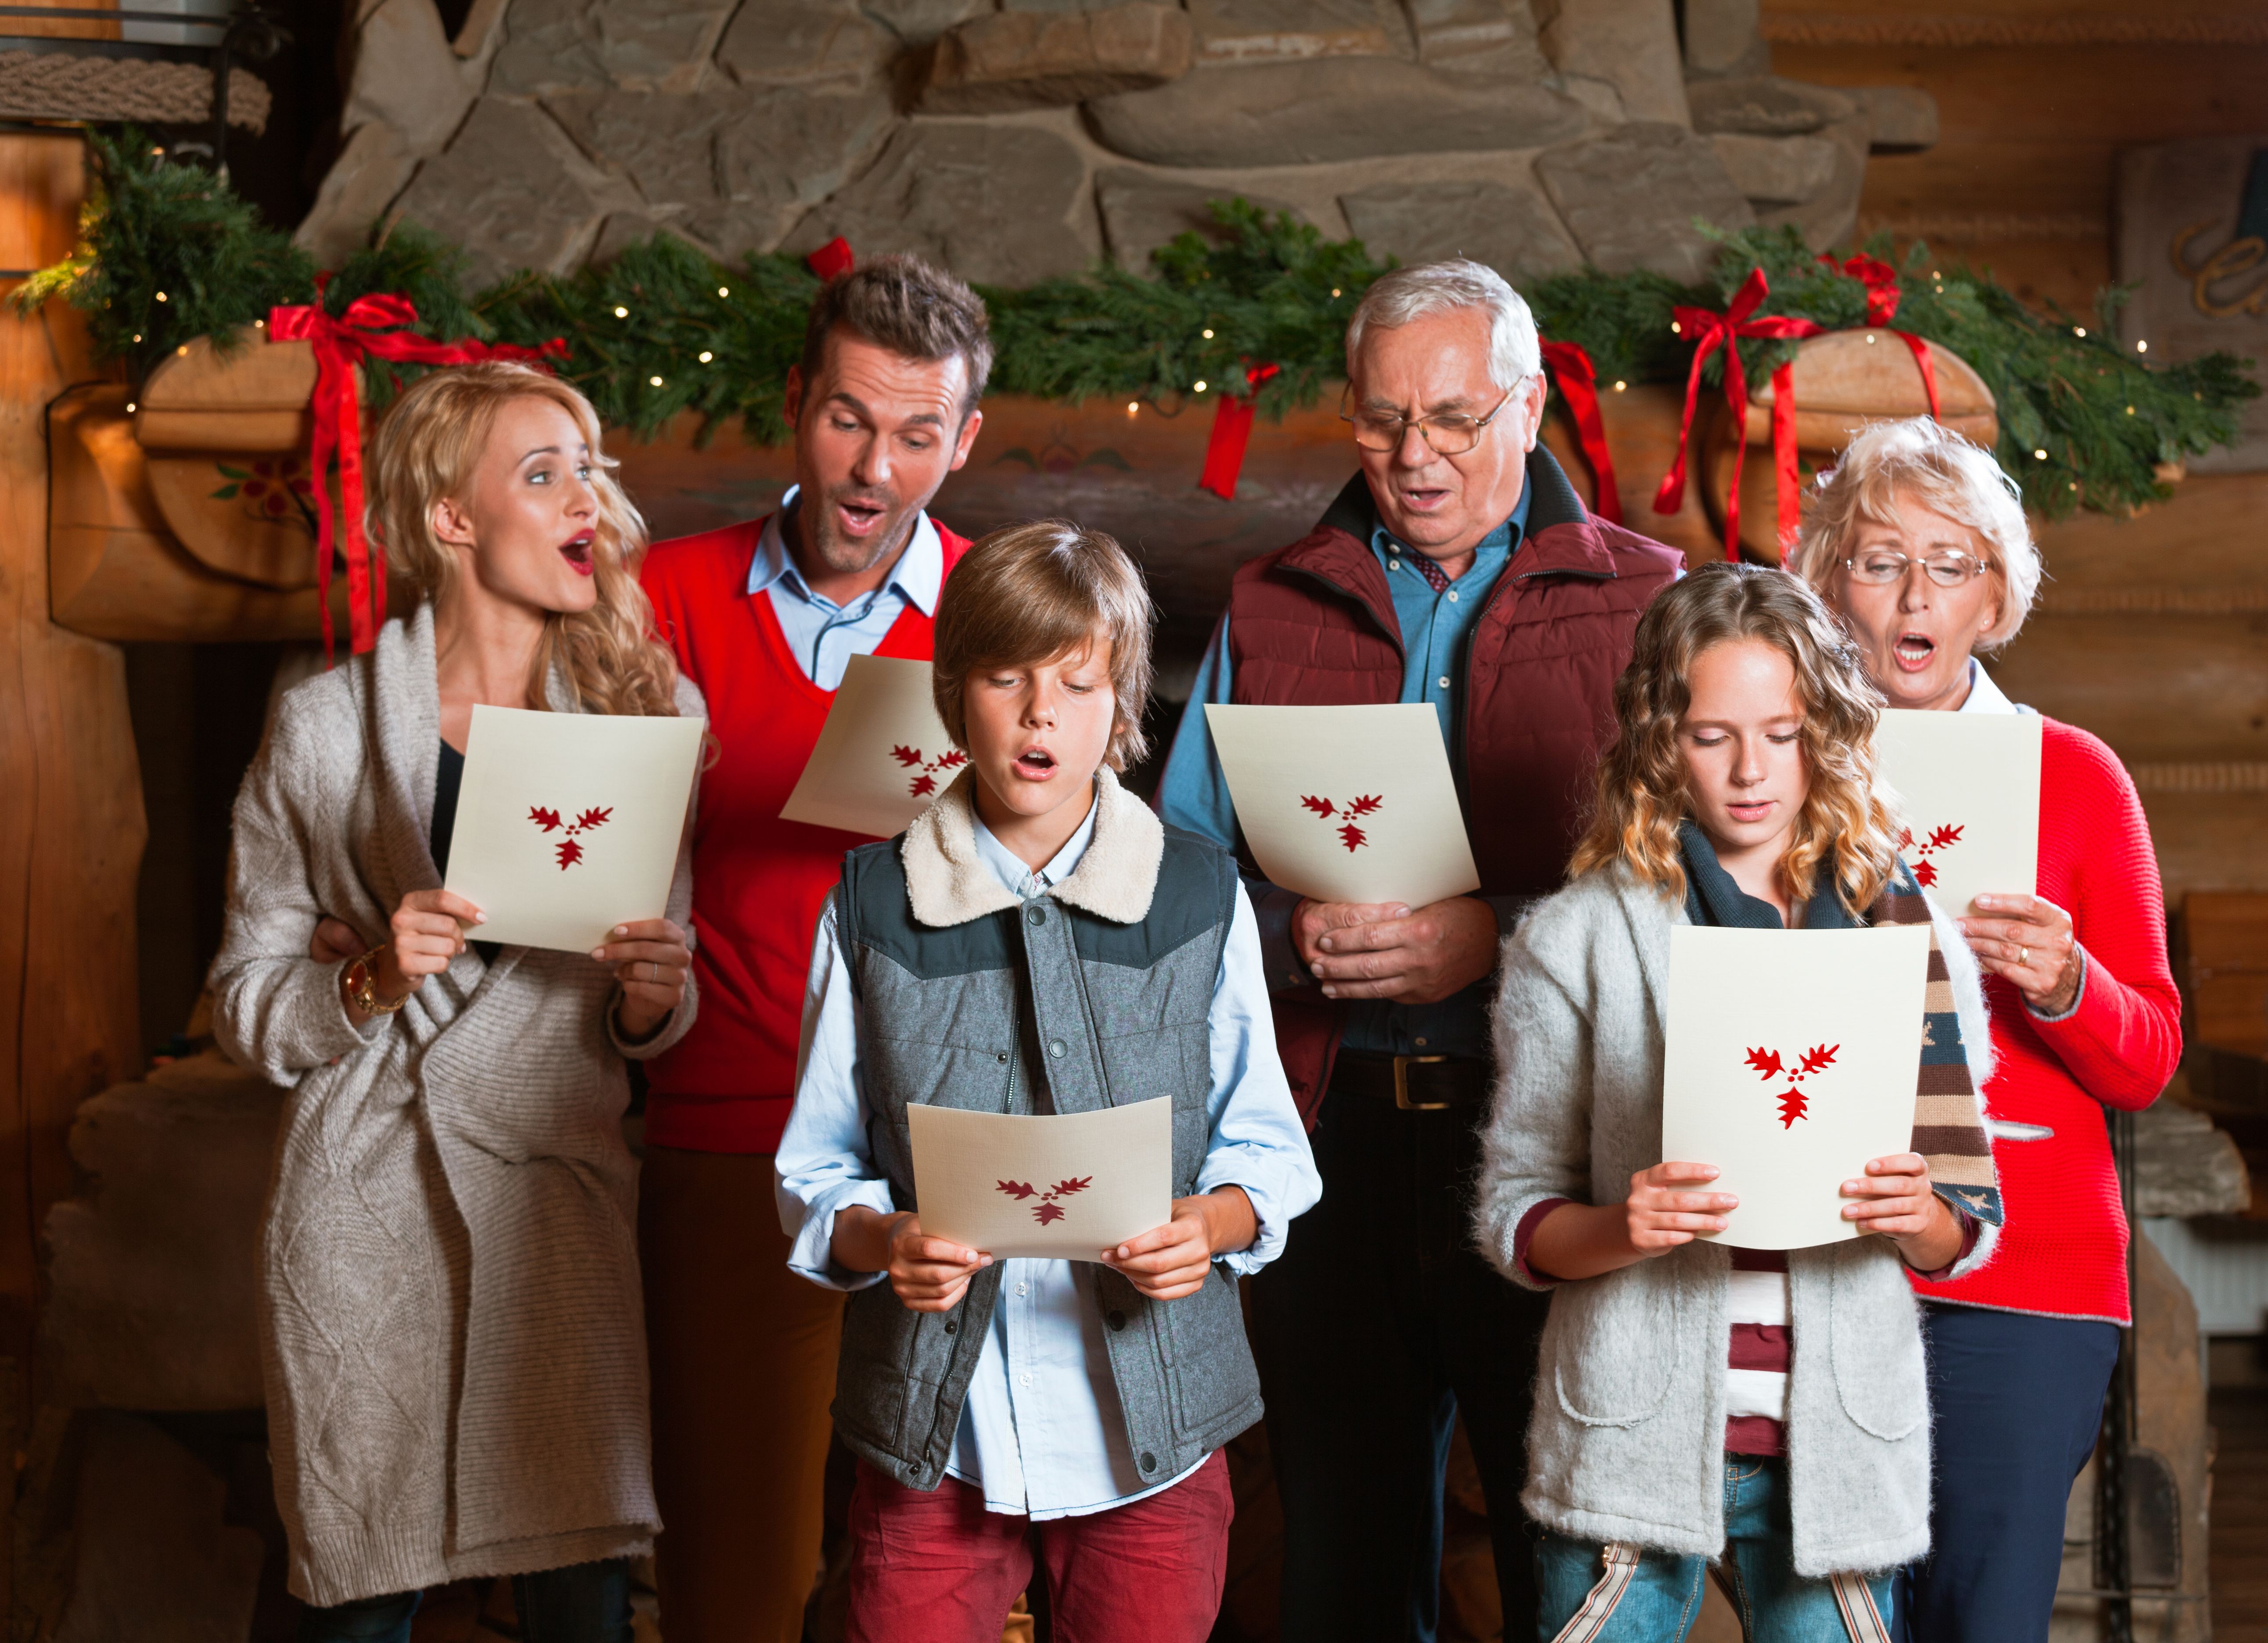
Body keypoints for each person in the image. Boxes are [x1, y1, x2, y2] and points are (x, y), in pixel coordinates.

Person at [1152, 258, 1683, 1639]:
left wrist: (1492, 940)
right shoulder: (1271, 603)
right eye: (1384, 420)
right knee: (1342, 1564)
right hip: (1326, 1144)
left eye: (1453, 418)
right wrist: (1290, 936)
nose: (1414, 455)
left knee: (1566, 1558)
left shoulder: (1652, 605)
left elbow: (1695, 900)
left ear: (1530, 407)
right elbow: (1177, 879)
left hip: (1553, 1149)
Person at [211, 362, 700, 1641]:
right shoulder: (323, 729)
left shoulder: (648, 715)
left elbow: (652, 992)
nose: (585, 498)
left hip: (558, 1203)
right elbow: (243, 1000)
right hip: (366, 1201)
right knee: (361, 1604)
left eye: (589, 468)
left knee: (584, 1603)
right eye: (542, 474)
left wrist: (656, 997)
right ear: (452, 519)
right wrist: (371, 975)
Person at [775, 520, 1322, 1643]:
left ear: (1119, 706)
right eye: (1005, 679)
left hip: (1154, 1436)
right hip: (936, 1437)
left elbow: (1267, 1147)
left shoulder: (1199, 896)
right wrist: (887, 1240)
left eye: (1077, 685)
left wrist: (1209, 1226)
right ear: (951, 695)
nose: (1040, 716)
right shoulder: (869, 905)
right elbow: (814, 1168)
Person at [1475, 562, 2003, 1642]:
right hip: (1626, 1436)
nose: (1751, 771)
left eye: (1782, 732)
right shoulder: (1576, 937)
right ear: (1659, 740)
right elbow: (1514, 1217)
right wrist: (1624, 1228)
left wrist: (1921, 1217)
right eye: (1711, 736)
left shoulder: (1906, 931)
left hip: (1839, 1452)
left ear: (1829, 731)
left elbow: (1966, 1222)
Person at [634, 255, 989, 1640]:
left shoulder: (999, 612)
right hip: (731, 1133)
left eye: (916, 434)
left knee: (933, 1576)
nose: (874, 468)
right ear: (795, 402)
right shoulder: (663, 596)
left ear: (964, 443)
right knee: (734, 1572)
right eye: (849, 419)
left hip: (954, 1148)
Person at [1785, 418, 2183, 1643]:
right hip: (1823, 1255)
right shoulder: (1769, 768)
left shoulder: (2076, 774)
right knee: (1831, 1616)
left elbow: (2148, 1059)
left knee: (1983, 1615)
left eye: (1950, 565)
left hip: (2032, 1278)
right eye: (1879, 561)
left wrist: (2067, 984)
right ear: (1827, 583)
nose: (1915, 595)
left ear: (1993, 597)